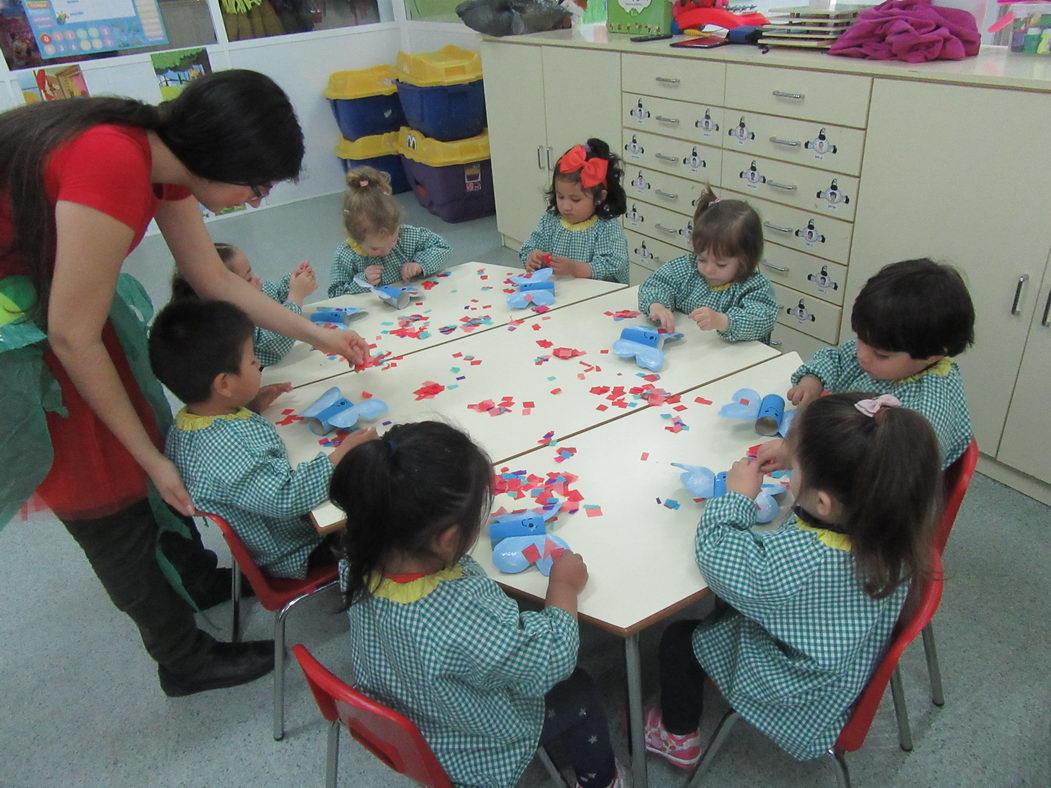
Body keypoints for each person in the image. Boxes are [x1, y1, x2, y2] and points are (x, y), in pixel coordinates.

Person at [0, 69, 368, 696]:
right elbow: (70, 336)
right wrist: (150, 459)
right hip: (26, 328)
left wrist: (319, 335)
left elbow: (214, 279)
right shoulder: (116, 161)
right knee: (106, 492)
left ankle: (197, 576)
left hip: (58, 304)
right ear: (221, 158)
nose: (255, 202)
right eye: (255, 185)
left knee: (141, 442)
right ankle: (182, 658)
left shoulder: (164, 159)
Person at [645, 392, 942, 767]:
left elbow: (717, 557)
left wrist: (736, 498)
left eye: (797, 467)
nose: (791, 472)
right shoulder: (892, 523)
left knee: (678, 640)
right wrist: (800, 454)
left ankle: (678, 737)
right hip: (838, 653)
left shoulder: (805, 561)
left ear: (824, 503)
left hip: (795, 687)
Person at [330, 421, 629, 788]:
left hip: (410, 710)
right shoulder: (459, 615)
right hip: (469, 744)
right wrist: (563, 587)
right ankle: (603, 780)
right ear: (447, 538)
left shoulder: (355, 563)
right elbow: (552, 660)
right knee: (578, 687)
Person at [149, 299, 375, 585]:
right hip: (295, 547)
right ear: (224, 385)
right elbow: (285, 498)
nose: (259, 364)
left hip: (278, 525)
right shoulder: (226, 450)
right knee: (384, 511)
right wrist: (338, 458)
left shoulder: (193, 421)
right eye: (253, 361)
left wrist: (250, 405)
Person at [758, 258, 975, 471]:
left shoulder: (925, 412)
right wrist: (813, 380)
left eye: (880, 354)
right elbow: (836, 358)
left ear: (932, 355)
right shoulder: (883, 348)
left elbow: (885, 473)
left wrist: (803, 453)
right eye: (861, 338)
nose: (862, 355)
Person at [637, 185, 777, 341]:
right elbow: (656, 284)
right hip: (694, 354)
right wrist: (656, 305)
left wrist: (723, 321)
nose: (709, 270)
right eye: (702, 259)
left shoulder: (754, 286)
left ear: (746, 260)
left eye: (721, 264)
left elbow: (761, 320)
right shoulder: (688, 268)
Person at [171, 242, 318, 366]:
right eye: (248, 278)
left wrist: (292, 282)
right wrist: (295, 298)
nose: (257, 278)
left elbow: (274, 293)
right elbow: (275, 347)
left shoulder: (256, 292)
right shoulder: (233, 327)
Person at [327, 166, 451, 297]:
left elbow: (443, 247)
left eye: (393, 240)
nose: (387, 251)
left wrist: (420, 264)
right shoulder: (347, 256)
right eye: (375, 249)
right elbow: (335, 295)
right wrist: (363, 280)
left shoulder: (406, 235)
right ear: (355, 238)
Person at [519, 138, 629, 284]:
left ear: (599, 198)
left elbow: (616, 265)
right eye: (560, 196)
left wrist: (577, 268)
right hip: (559, 296)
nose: (566, 206)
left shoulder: (607, 228)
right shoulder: (550, 221)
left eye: (575, 199)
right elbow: (529, 247)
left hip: (595, 298)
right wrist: (532, 257)